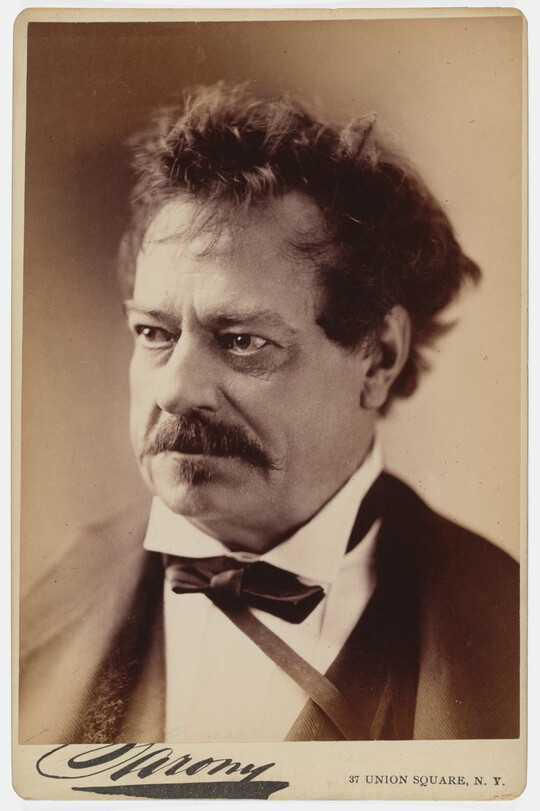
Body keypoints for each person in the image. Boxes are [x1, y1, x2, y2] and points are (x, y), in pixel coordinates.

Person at [19, 83, 519, 744]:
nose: (176, 390)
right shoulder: (52, 595)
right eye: (154, 333)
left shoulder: (512, 623)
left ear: (378, 355)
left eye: (242, 341)